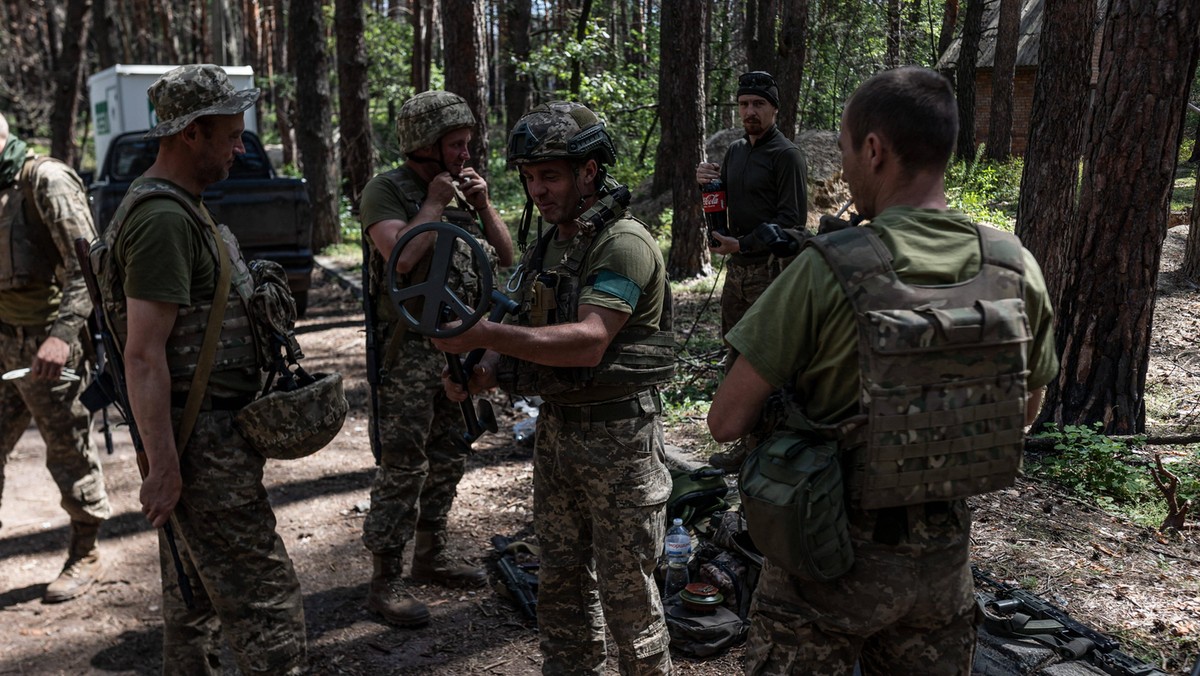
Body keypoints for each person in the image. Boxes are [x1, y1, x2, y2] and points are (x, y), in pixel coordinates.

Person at [707, 66, 1059, 675]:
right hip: (943, 570)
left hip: (824, 563)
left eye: (845, 150)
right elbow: (1024, 411)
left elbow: (725, 420)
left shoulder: (827, 268)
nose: (842, 167)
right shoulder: (1012, 263)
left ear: (874, 150)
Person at [434, 101, 676, 675]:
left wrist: (486, 333)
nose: (538, 190)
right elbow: (514, 313)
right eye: (530, 177)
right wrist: (478, 370)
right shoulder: (550, 244)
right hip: (560, 435)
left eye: (551, 175)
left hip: (620, 442)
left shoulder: (623, 243)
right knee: (561, 597)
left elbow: (592, 339)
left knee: (630, 609)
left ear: (589, 172)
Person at [98, 64, 305, 674]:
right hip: (202, 445)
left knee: (195, 608)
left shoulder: (181, 208)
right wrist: (164, 466)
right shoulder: (163, 219)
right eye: (232, 136)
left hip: (206, 440)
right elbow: (142, 352)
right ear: (191, 133)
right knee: (270, 615)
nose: (240, 149)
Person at [359, 89, 514, 627]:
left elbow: (508, 259)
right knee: (404, 465)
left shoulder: (462, 191)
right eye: (456, 144)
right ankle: (385, 581)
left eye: (468, 143)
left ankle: (431, 554)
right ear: (425, 146)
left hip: (459, 347)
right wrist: (433, 204)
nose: (466, 154)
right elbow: (399, 260)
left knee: (449, 452)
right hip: (406, 357)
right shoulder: (387, 191)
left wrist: (483, 205)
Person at [0, 112, 111, 603]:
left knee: (67, 452)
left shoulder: (45, 180)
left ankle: (85, 551)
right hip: (2, 342)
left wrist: (64, 334)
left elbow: (89, 268)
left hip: (46, 349)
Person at [695, 70, 810, 470]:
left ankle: (777, 447)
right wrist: (707, 185)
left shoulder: (787, 155)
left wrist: (744, 243)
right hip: (738, 273)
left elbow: (795, 226)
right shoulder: (736, 152)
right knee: (735, 353)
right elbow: (721, 205)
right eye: (744, 104)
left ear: (775, 109)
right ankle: (747, 443)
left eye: (759, 104)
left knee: (769, 361)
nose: (750, 112)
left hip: (773, 272)